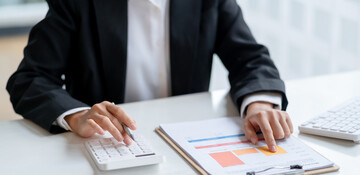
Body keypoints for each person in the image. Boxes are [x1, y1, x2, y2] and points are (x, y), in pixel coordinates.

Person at [6, 0, 293, 152]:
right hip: (106, 148)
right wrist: (76, 115)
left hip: (187, 148)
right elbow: (30, 79)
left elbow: (250, 58)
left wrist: (258, 104)